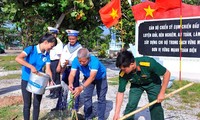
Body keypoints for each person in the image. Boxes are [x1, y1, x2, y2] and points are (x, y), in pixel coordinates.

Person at [113, 50, 171, 120]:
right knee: (131, 104)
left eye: (124, 69)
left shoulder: (148, 63)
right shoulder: (123, 73)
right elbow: (120, 92)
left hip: (153, 84)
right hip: (136, 85)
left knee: (155, 104)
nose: (123, 71)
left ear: (132, 64)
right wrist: (116, 113)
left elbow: (167, 73)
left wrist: (162, 93)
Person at [15, 33, 57, 120]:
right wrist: (31, 66)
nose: (51, 48)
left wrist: (50, 79)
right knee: (27, 104)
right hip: (27, 80)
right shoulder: (31, 49)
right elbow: (18, 58)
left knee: (37, 104)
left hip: (39, 81)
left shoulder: (47, 54)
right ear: (45, 42)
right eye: (51, 46)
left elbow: (48, 69)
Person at [68, 48, 108, 120]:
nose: (81, 64)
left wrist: (81, 87)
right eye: (80, 61)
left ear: (88, 58)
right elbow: (72, 74)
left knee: (101, 98)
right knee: (87, 97)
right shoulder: (75, 60)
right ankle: (88, 117)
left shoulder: (94, 61)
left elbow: (92, 77)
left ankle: (101, 118)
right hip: (87, 77)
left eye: (83, 61)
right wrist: (70, 83)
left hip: (100, 78)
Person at [51, 29, 82, 111]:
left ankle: (75, 107)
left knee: (75, 88)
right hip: (66, 68)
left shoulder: (79, 48)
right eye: (70, 39)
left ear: (76, 38)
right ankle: (60, 106)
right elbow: (62, 56)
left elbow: (80, 60)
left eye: (73, 39)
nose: (71, 40)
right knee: (64, 87)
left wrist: (70, 62)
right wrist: (59, 65)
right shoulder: (66, 46)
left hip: (74, 69)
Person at [46, 26, 63, 99]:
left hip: (56, 61)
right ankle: (52, 92)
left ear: (56, 34)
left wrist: (59, 65)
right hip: (51, 61)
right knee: (51, 77)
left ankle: (57, 93)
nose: (52, 35)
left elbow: (60, 55)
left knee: (56, 78)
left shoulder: (58, 43)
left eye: (53, 34)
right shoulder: (50, 42)